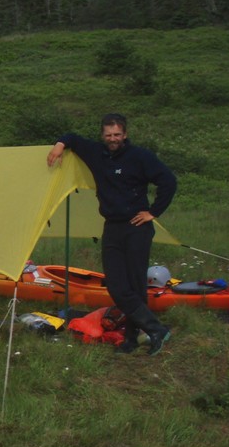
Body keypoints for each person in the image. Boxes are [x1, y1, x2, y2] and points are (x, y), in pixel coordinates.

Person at [46, 113, 177, 355]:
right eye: (108, 135)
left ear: (125, 134)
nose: (113, 139)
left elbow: (168, 181)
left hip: (137, 227)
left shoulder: (140, 157)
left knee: (136, 285)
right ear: (102, 136)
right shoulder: (96, 152)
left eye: (117, 134)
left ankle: (131, 338)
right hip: (112, 227)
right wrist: (60, 144)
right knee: (117, 285)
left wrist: (153, 212)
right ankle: (156, 329)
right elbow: (72, 137)